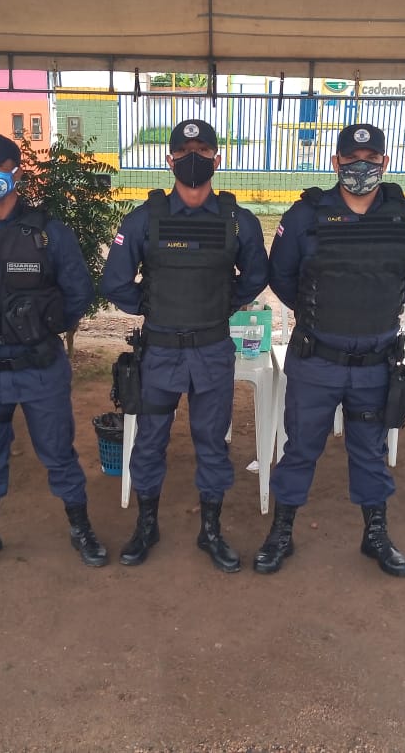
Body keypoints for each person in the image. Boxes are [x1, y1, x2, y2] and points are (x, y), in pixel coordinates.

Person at [254, 123, 405, 577]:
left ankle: (376, 535)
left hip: (376, 362)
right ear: (335, 162)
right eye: (352, 159)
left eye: (371, 160)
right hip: (318, 359)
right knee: (300, 448)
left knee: (370, 451)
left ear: (385, 163)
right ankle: (281, 533)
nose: (361, 167)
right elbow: (283, 277)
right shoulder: (305, 216)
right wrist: (323, 314)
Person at [100, 119, 269, 573]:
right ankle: (146, 526)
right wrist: (153, 305)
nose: (194, 158)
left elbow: (256, 275)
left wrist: (222, 303)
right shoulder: (144, 219)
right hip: (160, 352)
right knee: (149, 441)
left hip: (212, 350)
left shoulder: (238, 221)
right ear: (170, 160)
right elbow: (114, 281)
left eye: (203, 151)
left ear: (217, 158)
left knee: (212, 443)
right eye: (185, 152)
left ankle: (210, 530)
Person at [0, 133, 107, 574]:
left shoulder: (49, 233)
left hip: (39, 368)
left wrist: (41, 327)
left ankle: (81, 528)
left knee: (58, 452)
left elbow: (78, 292)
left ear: (16, 172)